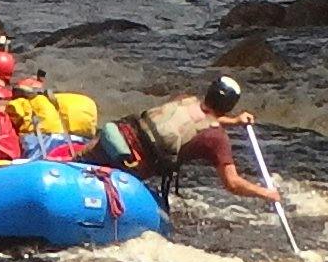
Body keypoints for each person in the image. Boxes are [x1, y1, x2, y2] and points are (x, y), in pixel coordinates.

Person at [108, 72, 278, 203]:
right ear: (229, 106)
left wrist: (234, 121)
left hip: (116, 134)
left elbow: (200, 118)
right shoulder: (217, 138)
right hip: (131, 164)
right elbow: (232, 183)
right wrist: (267, 194)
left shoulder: (185, 100)